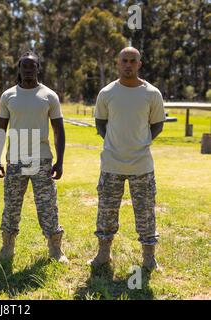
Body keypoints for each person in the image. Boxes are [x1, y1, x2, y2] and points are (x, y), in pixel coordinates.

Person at [89, 47, 165, 271]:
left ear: (139, 64)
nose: (128, 64)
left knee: (145, 212)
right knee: (107, 210)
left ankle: (149, 258)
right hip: (111, 164)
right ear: (117, 63)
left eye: (133, 61)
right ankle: (103, 255)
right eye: (124, 60)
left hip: (142, 165)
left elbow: (157, 125)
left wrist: (139, 143)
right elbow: (100, 123)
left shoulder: (152, 93)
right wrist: (115, 143)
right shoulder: (107, 92)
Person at [0, 51, 68, 263]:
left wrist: (59, 161)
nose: (28, 69)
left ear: (38, 68)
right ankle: (7, 248)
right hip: (15, 161)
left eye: (32, 66)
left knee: (47, 205)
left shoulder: (49, 96)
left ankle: (55, 249)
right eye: (24, 66)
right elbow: (0, 129)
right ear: (19, 69)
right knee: (11, 206)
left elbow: (58, 131)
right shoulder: (8, 96)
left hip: (41, 160)